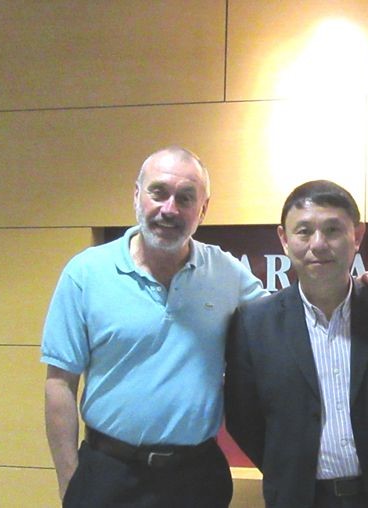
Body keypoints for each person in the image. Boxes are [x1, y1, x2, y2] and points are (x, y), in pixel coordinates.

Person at [42, 146, 267, 507]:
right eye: (158, 192)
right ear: (137, 195)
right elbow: (59, 384)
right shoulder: (85, 273)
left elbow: (285, 318)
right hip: (108, 476)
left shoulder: (226, 273)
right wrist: (71, 484)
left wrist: (357, 290)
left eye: (185, 198)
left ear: (203, 209)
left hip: (197, 480)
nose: (169, 209)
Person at [224, 180, 368, 508]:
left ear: (357, 235)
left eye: (332, 230)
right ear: (284, 239)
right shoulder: (254, 324)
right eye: (304, 231)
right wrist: (290, 471)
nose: (318, 244)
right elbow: (244, 419)